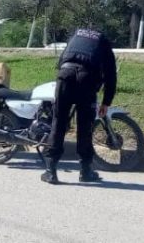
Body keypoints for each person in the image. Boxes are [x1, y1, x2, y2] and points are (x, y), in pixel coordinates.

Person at [41, 27, 117, 184]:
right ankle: (85, 171)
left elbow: (61, 61)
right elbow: (111, 74)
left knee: (59, 123)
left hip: (65, 76)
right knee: (85, 127)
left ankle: (50, 172)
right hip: (87, 80)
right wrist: (106, 102)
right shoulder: (103, 41)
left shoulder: (75, 34)